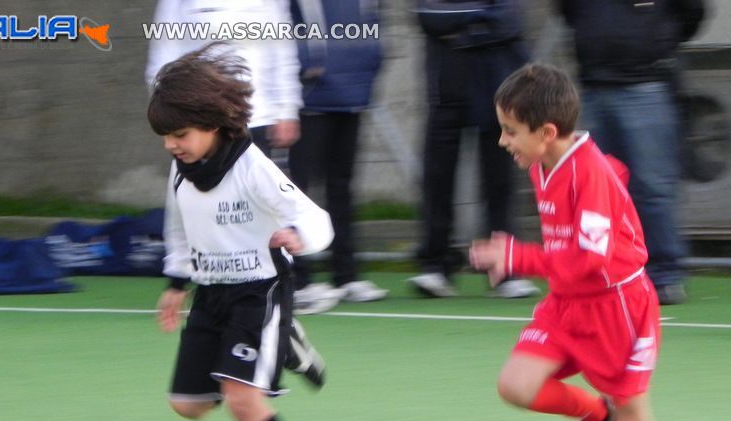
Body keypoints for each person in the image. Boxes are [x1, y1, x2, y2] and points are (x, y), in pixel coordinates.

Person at [470, 63, 713, 421]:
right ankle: (591, 412)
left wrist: (519, 257)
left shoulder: (587, 172)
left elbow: (589, 259)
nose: (502, 141)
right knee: (517, 385)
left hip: (616, 309)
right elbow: (601, 200)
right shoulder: (542, 163)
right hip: (566, 302)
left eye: (510, 131)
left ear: (548, 132)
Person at [148, 47, 335, 421]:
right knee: (187, 404)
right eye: (165, 136)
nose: (171, 145)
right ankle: (287, 345)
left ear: (211, 123)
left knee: (241, 399)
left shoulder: (254, 168)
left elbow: (318, 220)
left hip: (260, 292)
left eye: (179, 134)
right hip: (212, 294)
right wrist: (175, 283)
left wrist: (298, 235)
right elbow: (179, 230)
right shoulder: (182, 169)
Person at [146, 0, 327, 386]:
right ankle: (264, 330)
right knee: (211, 218)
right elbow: (163, 50)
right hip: (198, 123)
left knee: (258, 217)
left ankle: (274, 322)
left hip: (252, 118)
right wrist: (173, 115)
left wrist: (286, 107)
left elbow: (279, 42)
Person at [557, 0, 706, 305]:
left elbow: (692, 11)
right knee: (598, 192)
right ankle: (609, 273)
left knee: (652, 188)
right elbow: (568, 10)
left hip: (647, 85)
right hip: (595, 87)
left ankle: (663, 275)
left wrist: (657, 43)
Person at [409, 0, 539, 299]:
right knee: (438, 178)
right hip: (446, 88)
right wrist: (481, 20)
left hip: (495, 86)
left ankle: (505, 270)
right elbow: (430, 17)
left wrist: (462, 32)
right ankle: (436, 266)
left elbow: (510, 19)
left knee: (499, 181)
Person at [288, 0, 388, 315]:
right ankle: (299, 278)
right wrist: (308, 66)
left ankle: (346, 276)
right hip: (310, 96)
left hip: (352, 92)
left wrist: (370, 64)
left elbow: (374, 23)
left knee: (342, 185)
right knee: (298, 190)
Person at [146, 0, 302, 157]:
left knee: (253, 179)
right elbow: (163, 54)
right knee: (204, 180)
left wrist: (287, 110)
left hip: (257, 115)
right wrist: (168, 113)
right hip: (202, 119)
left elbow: (283, 51)